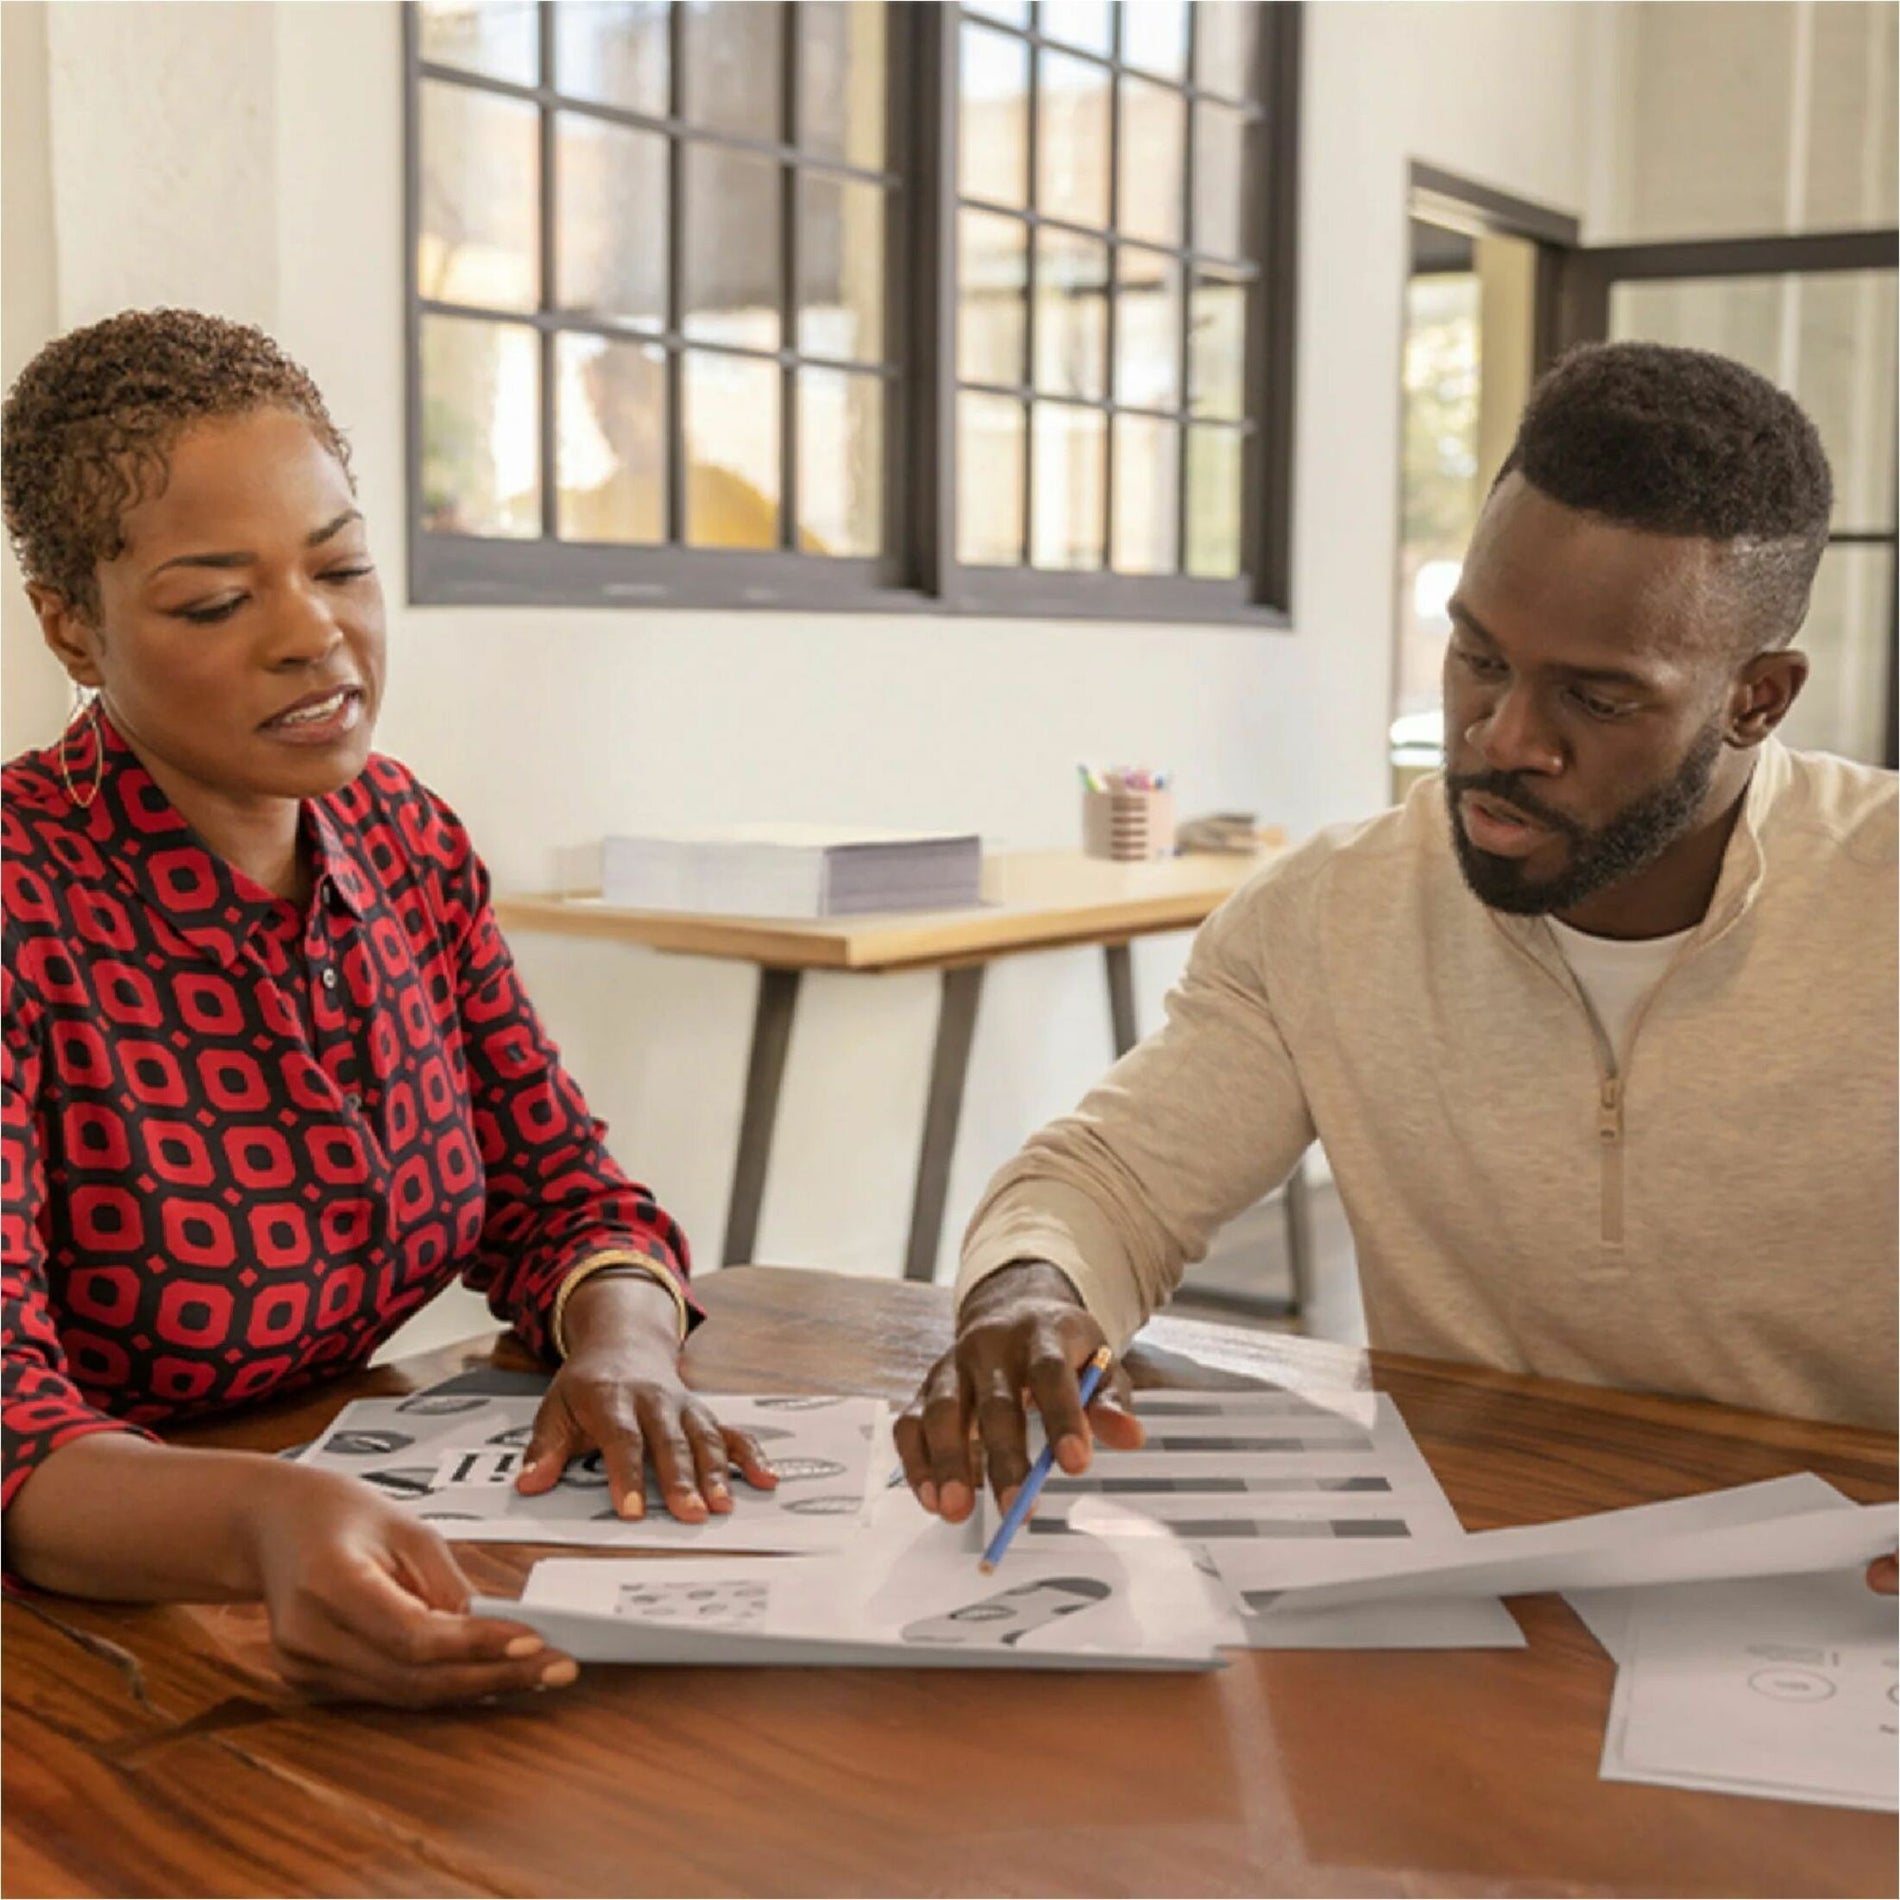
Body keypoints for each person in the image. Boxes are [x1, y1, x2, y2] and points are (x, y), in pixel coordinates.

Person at [894, 342, 1898, 1593]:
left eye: (1593, 697)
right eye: (1478, 657)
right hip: (1469, 1577)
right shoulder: (1330, 912)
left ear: (1756, 698)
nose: (1499, 738)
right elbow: (1107, 1180)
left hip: (1843, 1604)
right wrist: (1027, 1291)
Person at [1, 308, 776, 1705]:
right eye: (215, 602)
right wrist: (260, 1520)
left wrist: (624, 1346)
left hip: (346, 1531)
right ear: (72, 624)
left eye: (345, 565)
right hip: (93, 1641)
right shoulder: (17, 902)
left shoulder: (401, 835)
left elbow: (566, 1197)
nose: (315, 635)